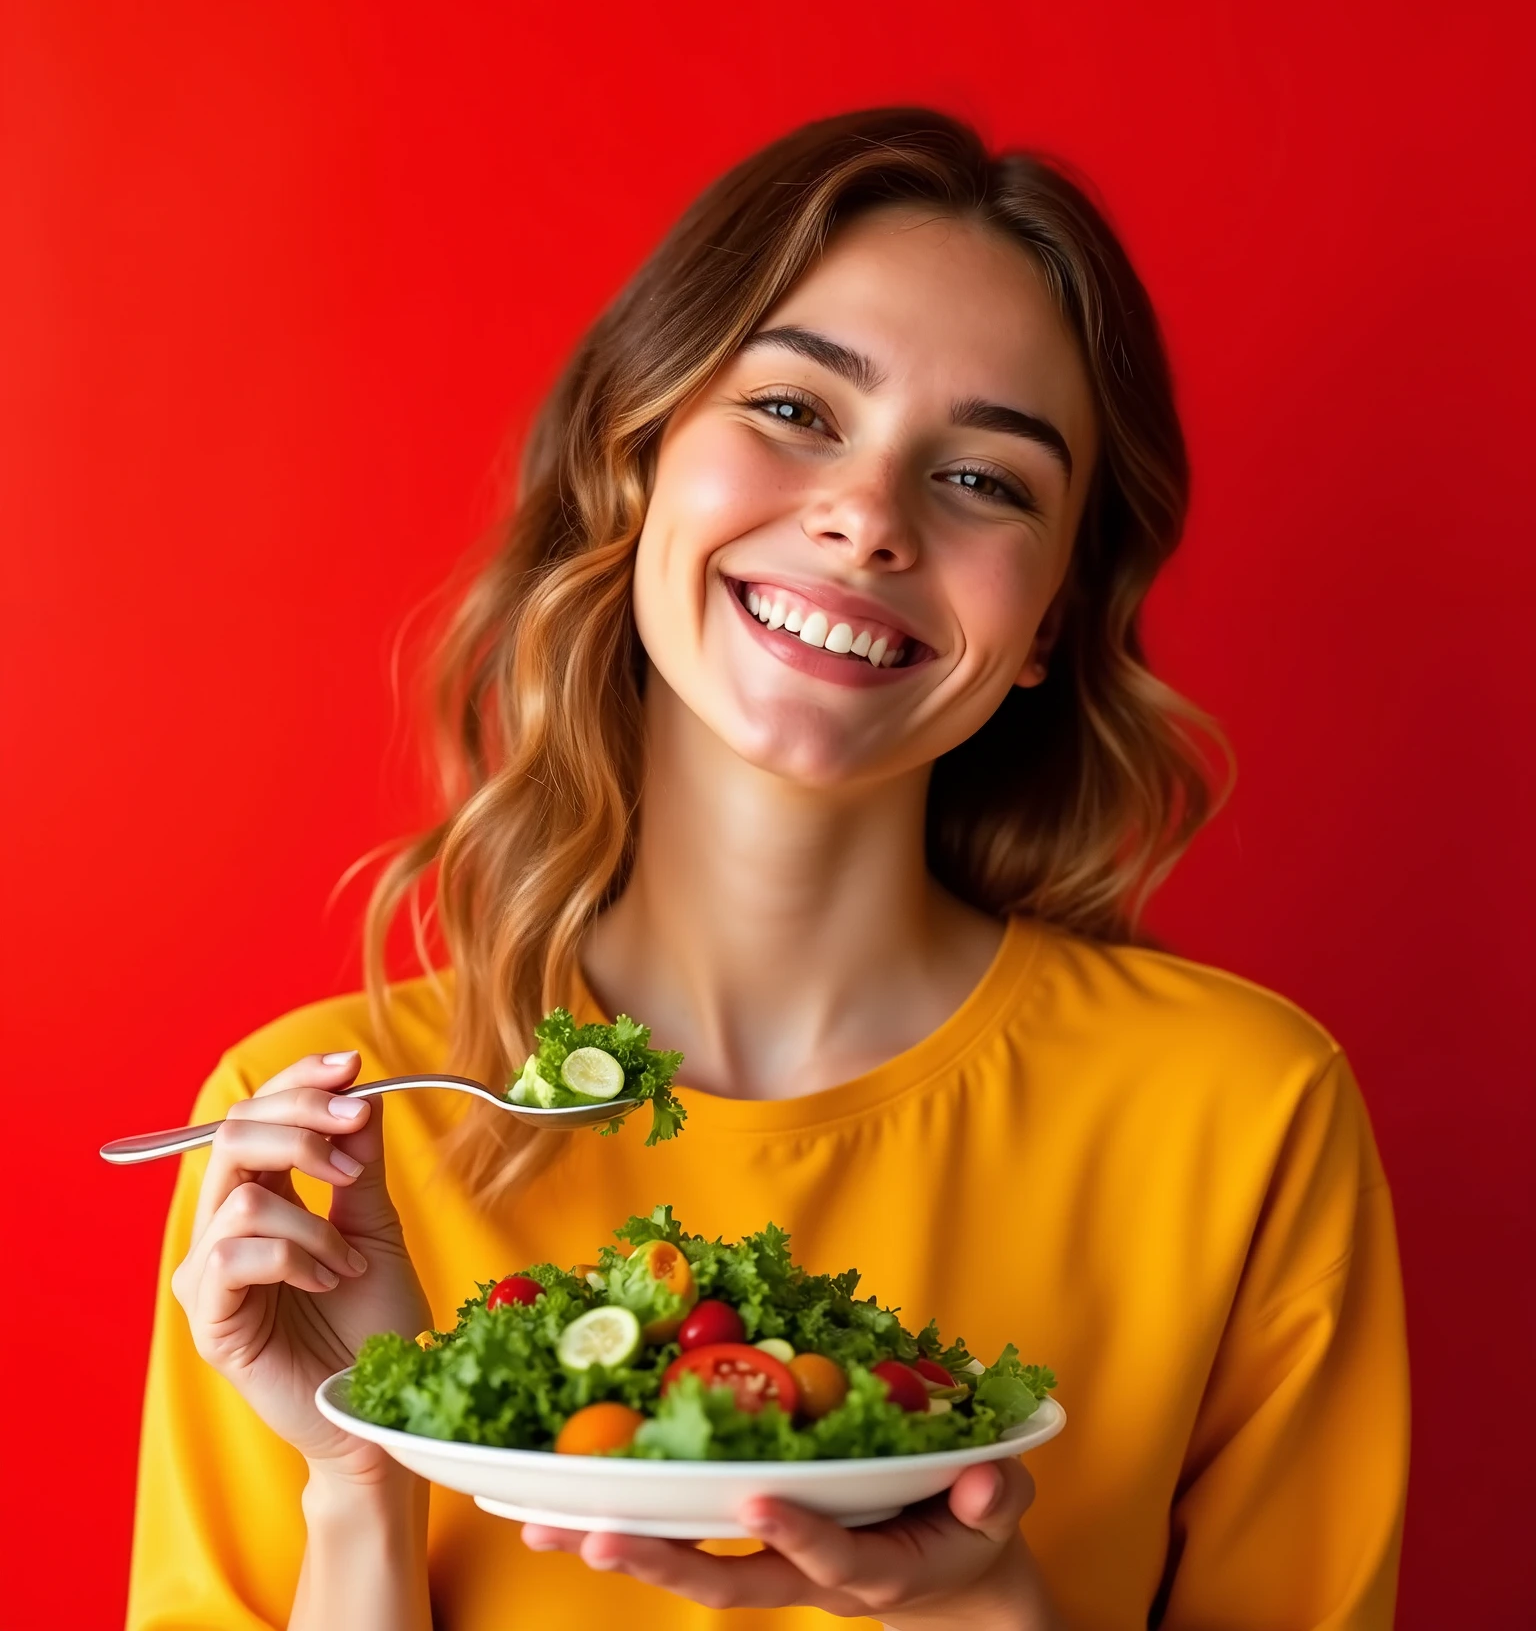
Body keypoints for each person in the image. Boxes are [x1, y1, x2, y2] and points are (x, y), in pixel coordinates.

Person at [128, 111, 1409, 1630]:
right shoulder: (325, 1145)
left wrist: (987, 1611)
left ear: (1050, 628)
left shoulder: (1244, 1117)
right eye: (799, 409)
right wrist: (359, 1482)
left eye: (988, 481)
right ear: (639, 461)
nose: (868, 518)